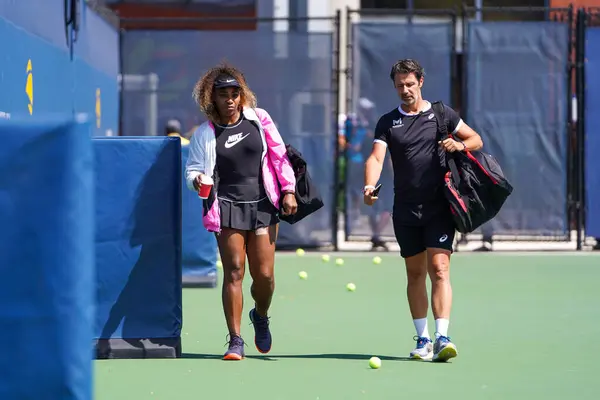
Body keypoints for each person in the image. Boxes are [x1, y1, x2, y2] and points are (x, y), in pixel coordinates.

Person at [363, 59, 483, 362]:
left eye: (410, 84)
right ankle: (424, 340)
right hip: (405, 209)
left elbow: (475, 139)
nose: (405, 90)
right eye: (400, 85)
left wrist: (459, 146)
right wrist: (369, 186)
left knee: (440, 269)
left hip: (439, 206)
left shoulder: (442, 114)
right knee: (414, 273)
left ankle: (443, 337)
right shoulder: (388, 122)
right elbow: (376, 158)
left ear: (421, 82)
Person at [185, 63, 298, 360]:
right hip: (226, 207)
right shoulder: (205, 134)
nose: (230, 99)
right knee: (234, 272)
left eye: (235, 93)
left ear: (242, 95)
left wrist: (288, 189)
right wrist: (197, 180)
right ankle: (235, 340)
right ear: (212, 98)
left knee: (265, 276)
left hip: (262, 204)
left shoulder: (259, 119)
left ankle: (260, 314)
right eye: (224, 94)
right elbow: (194, 170)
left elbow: (278, 155)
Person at [343, 98, 392, 250]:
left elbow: (387, 155)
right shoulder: (359, 129)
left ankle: (376, 235)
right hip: (369, 173)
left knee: (388, 206)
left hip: (384, 174)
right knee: (372, 204)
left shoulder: (381, 130)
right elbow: (356, 149)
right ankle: (376, 235)